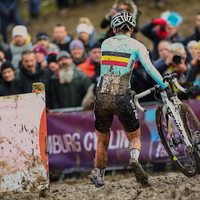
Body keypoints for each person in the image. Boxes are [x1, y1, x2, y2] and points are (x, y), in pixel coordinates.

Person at [89, 10, 171, 188]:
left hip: (101, 97)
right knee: (134, 136)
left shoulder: (105, 43)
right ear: (132, 28)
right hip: (122, 96)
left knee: (102, 139)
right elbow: (149, 68)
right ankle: (134, 158)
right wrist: (164, 85)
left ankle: (99, 177)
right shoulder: (137, 45)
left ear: (114, 28)